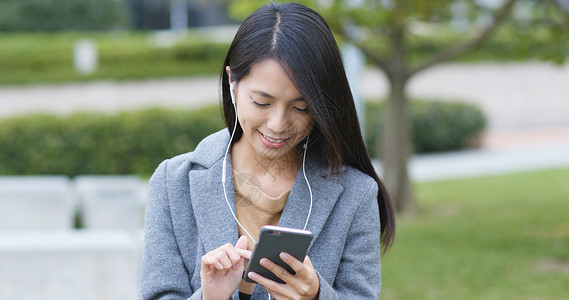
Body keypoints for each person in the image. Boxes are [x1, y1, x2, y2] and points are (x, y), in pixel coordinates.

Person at [140, 2, 395, 300]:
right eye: (262, 102)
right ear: (232, 85)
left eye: (302, 107)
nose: (278, 124)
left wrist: (315, 296)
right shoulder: (174, 183)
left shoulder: (355, 194)